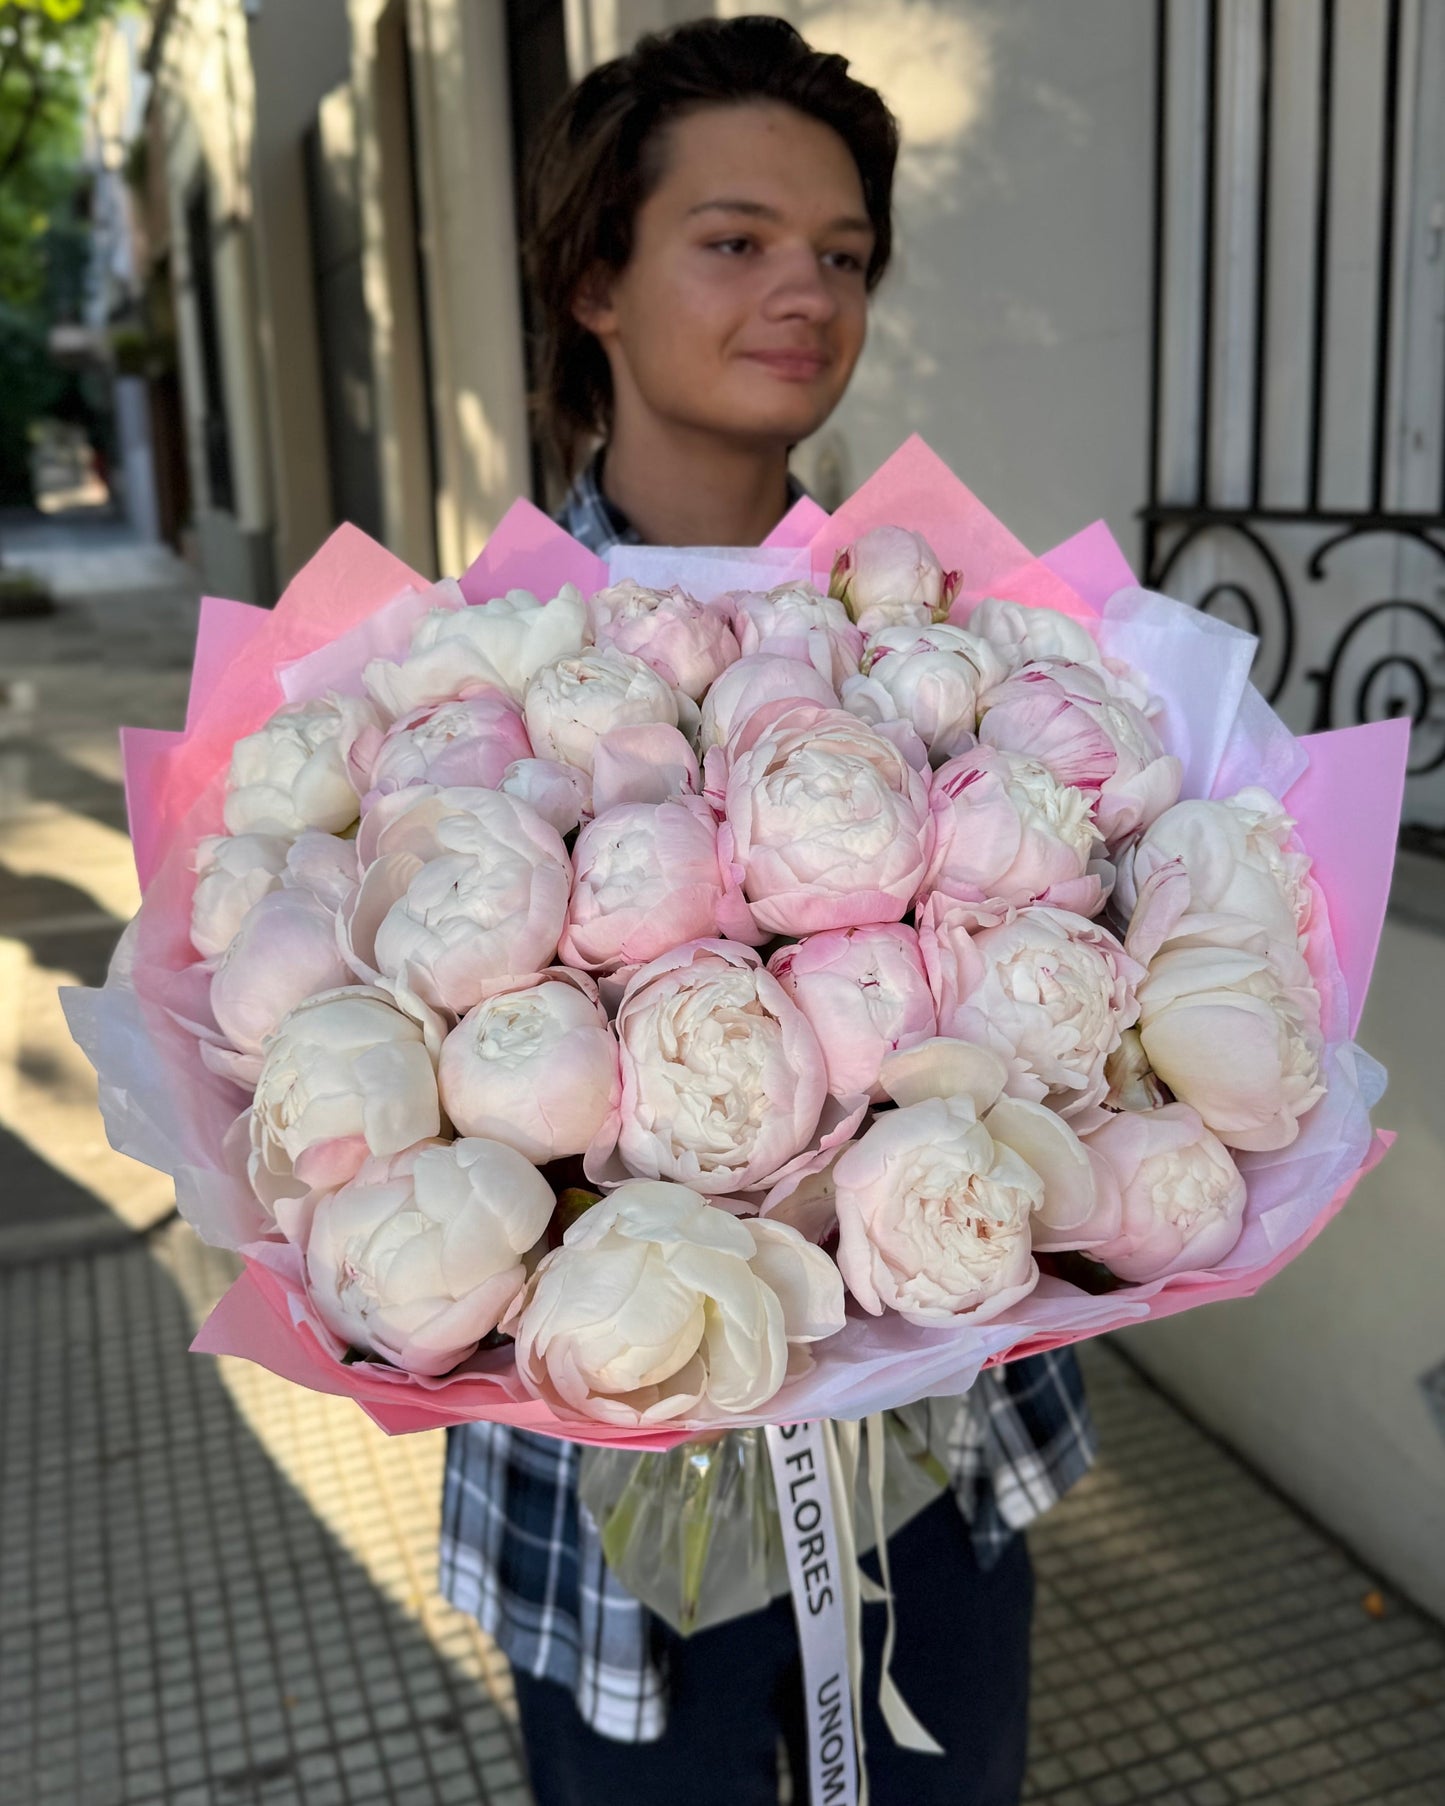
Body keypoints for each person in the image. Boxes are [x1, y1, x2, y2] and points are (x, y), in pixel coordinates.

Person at [440, 18, 1095, 1804]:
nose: (804, 290)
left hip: (932, 1470)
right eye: (734, 242)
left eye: (843, 257)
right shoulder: (450, 691)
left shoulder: (958, 656)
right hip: (600, 1513)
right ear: (595, 277)